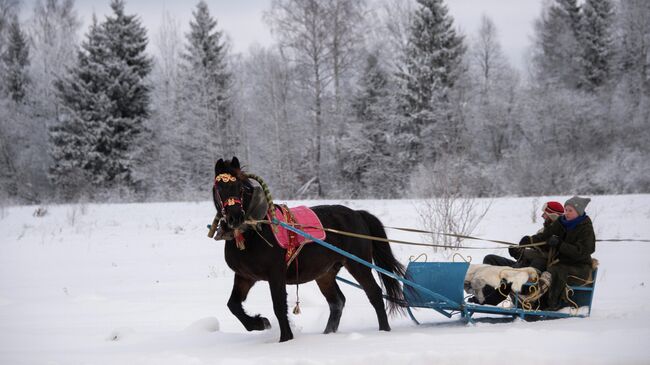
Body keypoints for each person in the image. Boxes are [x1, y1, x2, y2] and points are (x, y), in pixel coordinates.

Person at [469, 201, 565, 305]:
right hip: (524, 265)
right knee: (490, 259)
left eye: (545, 213)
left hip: (534, 270)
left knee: (513, 271)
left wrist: (528, 248)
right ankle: (485, 296)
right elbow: (530, 254)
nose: (542, 216)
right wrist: (518, 253)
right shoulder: (543, 231)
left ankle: (494, 298)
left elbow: (543, 256)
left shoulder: (557, 235)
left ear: (553, 215)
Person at [517, 196, 596, 310]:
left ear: (579, 212)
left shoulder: (585, 228)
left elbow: (582, 251)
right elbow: (545, 236)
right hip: (561, 263)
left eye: (570, 210)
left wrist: (560, 244)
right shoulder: (561, 222)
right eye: (566, 210)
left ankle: (532, 299)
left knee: (554, 270)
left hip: (579, 267)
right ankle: (534, 300)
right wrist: (530, 241)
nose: (567, 213)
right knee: (551, 267)